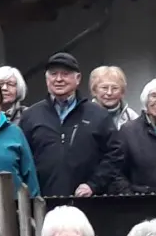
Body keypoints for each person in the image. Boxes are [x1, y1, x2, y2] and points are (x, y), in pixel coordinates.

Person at [20, 52, 116, 198]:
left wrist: (94, 184)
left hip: (88, 203)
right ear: (46, 79)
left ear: (77, 79)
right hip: (43, 202)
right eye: (53, 74)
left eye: (65, 74)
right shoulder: (30, 116)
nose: (59, 79)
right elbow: (22, 160)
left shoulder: (98, 115)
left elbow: (115, 154)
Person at [90, 66, 139, 131]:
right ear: (94, 91)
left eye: (115, 88)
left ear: (122, 92)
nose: (109, 93)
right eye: (104, 88)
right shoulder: (84, 115)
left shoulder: (132, 117)